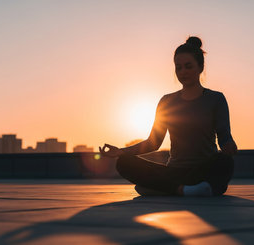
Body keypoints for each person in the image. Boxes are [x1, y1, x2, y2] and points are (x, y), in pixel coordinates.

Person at [99, 36, 237, 196]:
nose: (183, 72)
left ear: (200, 67)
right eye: (178, 68)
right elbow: (153, 142)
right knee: (124, 163)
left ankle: (161, 188)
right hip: (174, 172)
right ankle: (182, 190)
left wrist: (230, 145)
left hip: (203, 170)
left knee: (225, 163)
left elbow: (225, 138)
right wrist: (121, 152)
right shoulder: (166, 101)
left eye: (188, 66)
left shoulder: (216, 99)